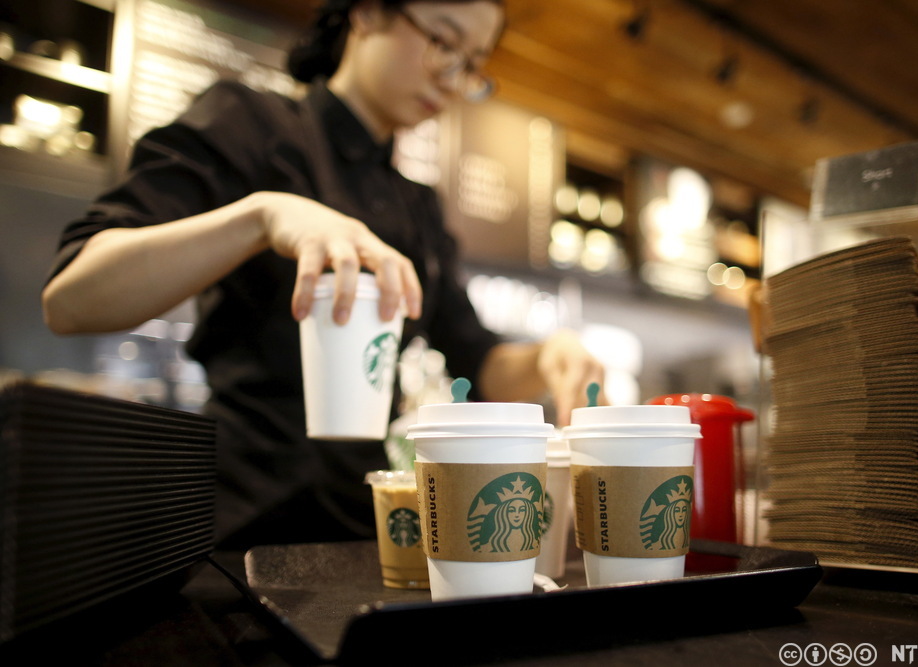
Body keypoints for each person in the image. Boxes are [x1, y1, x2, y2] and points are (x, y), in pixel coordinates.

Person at [41, 0, 604, 549]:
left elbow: (476, 360)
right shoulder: (248, 124)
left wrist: (543, 355)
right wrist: (263, 216)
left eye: (473, 64)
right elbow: (72, 299)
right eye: (443, 43)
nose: (454, 80)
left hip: (364, 524)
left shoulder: (416, 206)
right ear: (365, 13)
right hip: (234, 519)